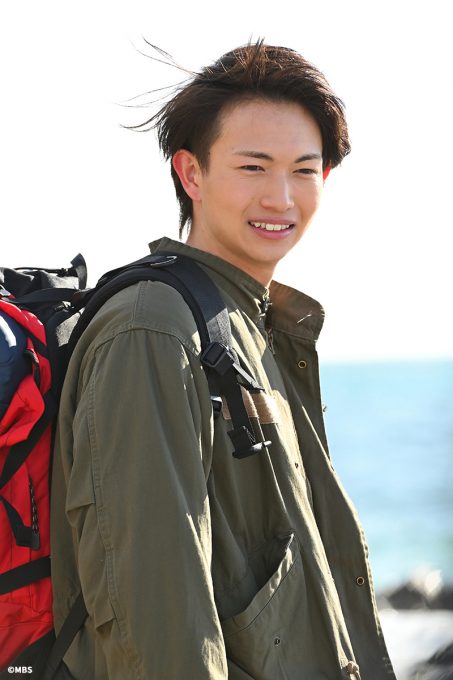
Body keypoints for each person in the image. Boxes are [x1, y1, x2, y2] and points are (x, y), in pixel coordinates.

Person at [51, 41, 396, 679]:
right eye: (253, 167)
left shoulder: (250, 324)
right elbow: (151, 610)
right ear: (191, 174)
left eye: (303, 170)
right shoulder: (153, 327)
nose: (281, 198)